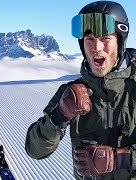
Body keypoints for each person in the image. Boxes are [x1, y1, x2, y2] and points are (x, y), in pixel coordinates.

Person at [25, 1, 136, 179]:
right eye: (89, 39)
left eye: (105, 38)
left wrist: (120, 159)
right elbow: (34, 150)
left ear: (120, 41)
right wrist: (59, 115)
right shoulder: (71, 92)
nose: (96, 48)